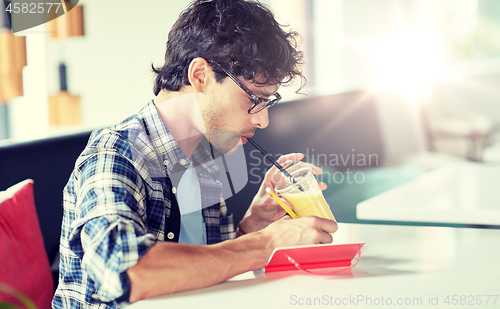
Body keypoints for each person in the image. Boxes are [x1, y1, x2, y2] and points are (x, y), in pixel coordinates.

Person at [52, 0, 338, 308]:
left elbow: (207, 262)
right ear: (200, 75)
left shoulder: (202, 156)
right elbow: (128, 272)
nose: (262, 120)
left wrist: (252, 226)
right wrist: (268, 242)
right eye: (255, 98)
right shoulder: (117, 155)